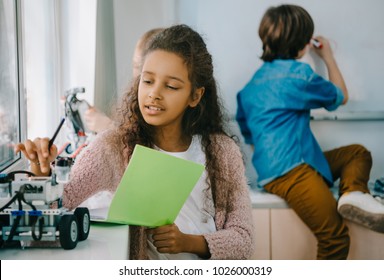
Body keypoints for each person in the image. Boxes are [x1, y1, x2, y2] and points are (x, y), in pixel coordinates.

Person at [15, 24, 254, 260]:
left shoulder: (222, 152)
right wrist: (41, 172)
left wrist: (189, 242)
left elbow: (244, 240)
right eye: (147, 81)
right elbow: (58, 206)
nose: (154, 93)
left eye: (170, 86)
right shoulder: (114, 146)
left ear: (195, 96)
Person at [236, 4, 384, 259]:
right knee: (335, 237)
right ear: (304, 44)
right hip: (292, 170)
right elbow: (340, 96)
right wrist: (328, 57)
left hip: (278, 169)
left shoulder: (250, 86)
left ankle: (353, 196)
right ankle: (353, 193)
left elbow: (248, 133)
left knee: (356, 153)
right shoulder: (299, 74)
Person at [84, 28, 165, 133]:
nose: (140, 77)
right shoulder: (132, 104)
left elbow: (144, 145)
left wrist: (107, 127)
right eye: (136, 66)